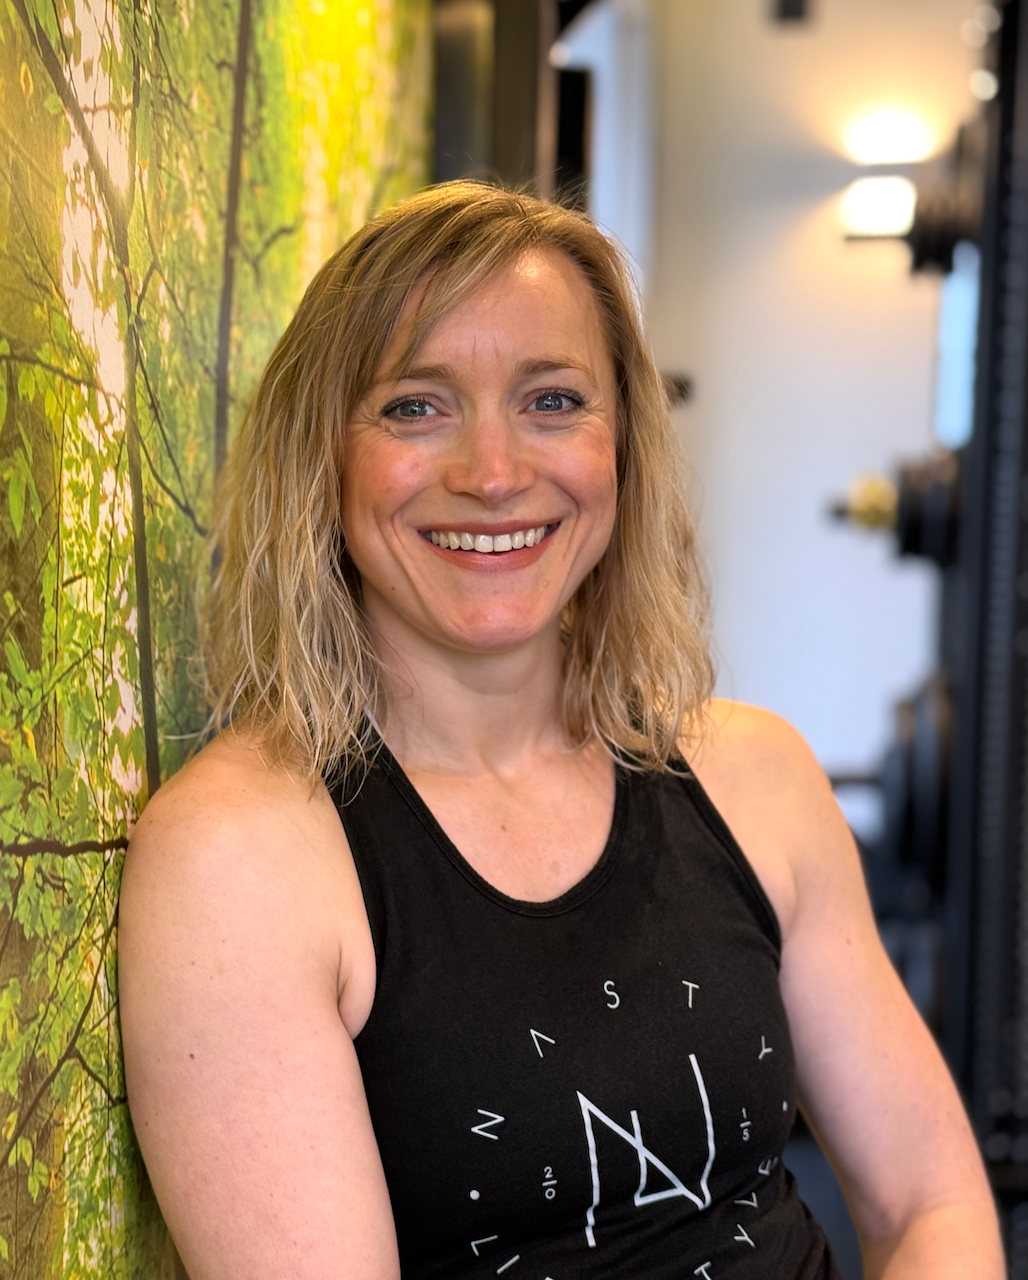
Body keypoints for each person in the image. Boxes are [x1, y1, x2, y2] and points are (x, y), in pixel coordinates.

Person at [118, 181, 1003, 1280]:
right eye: (414, 405)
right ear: (320, 460)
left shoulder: (752, 775)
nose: (493, 473)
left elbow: (928, 1202)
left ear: (619, 445)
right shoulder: (238, 855)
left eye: (550, 400)